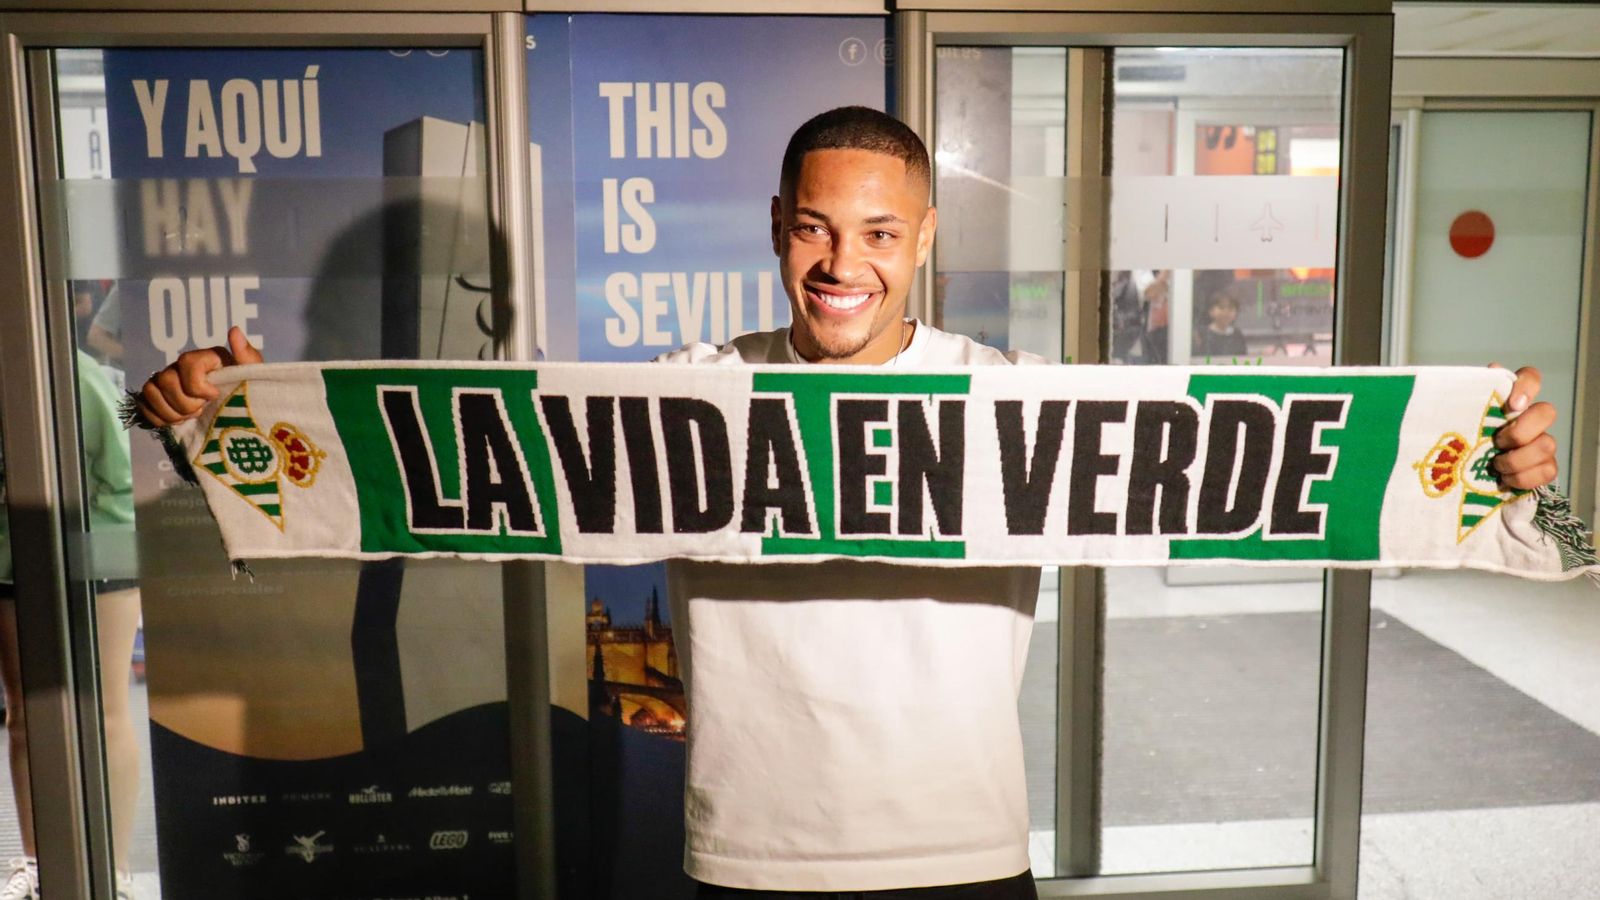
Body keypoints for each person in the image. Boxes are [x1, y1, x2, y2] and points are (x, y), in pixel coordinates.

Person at [134, 107, 1563, 898]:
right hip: (750, 862)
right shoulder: (689, 392)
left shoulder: (1011, 398)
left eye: (878, 232)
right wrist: (214, 434)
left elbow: (1262, 470)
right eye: (815, 227)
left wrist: (1500, 486)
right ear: (777, 230)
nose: (843, 262)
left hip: (964, 859)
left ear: (922, 239)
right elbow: (453, 466)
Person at [2, 351, 145, 900]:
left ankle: (115, 870)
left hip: (97, 556)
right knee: (25, 716)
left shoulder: (73, 373)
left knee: (106, 712)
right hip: (12, 561)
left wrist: (83, 544)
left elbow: (121, 477)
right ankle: (39, 866)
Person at [1196, 285, 1249, 361]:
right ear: (1211, 311)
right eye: (1221, 307)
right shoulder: (1202, 334)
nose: (1226, 312)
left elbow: (1242, 359)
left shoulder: (1238, 335)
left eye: (1230, 308)